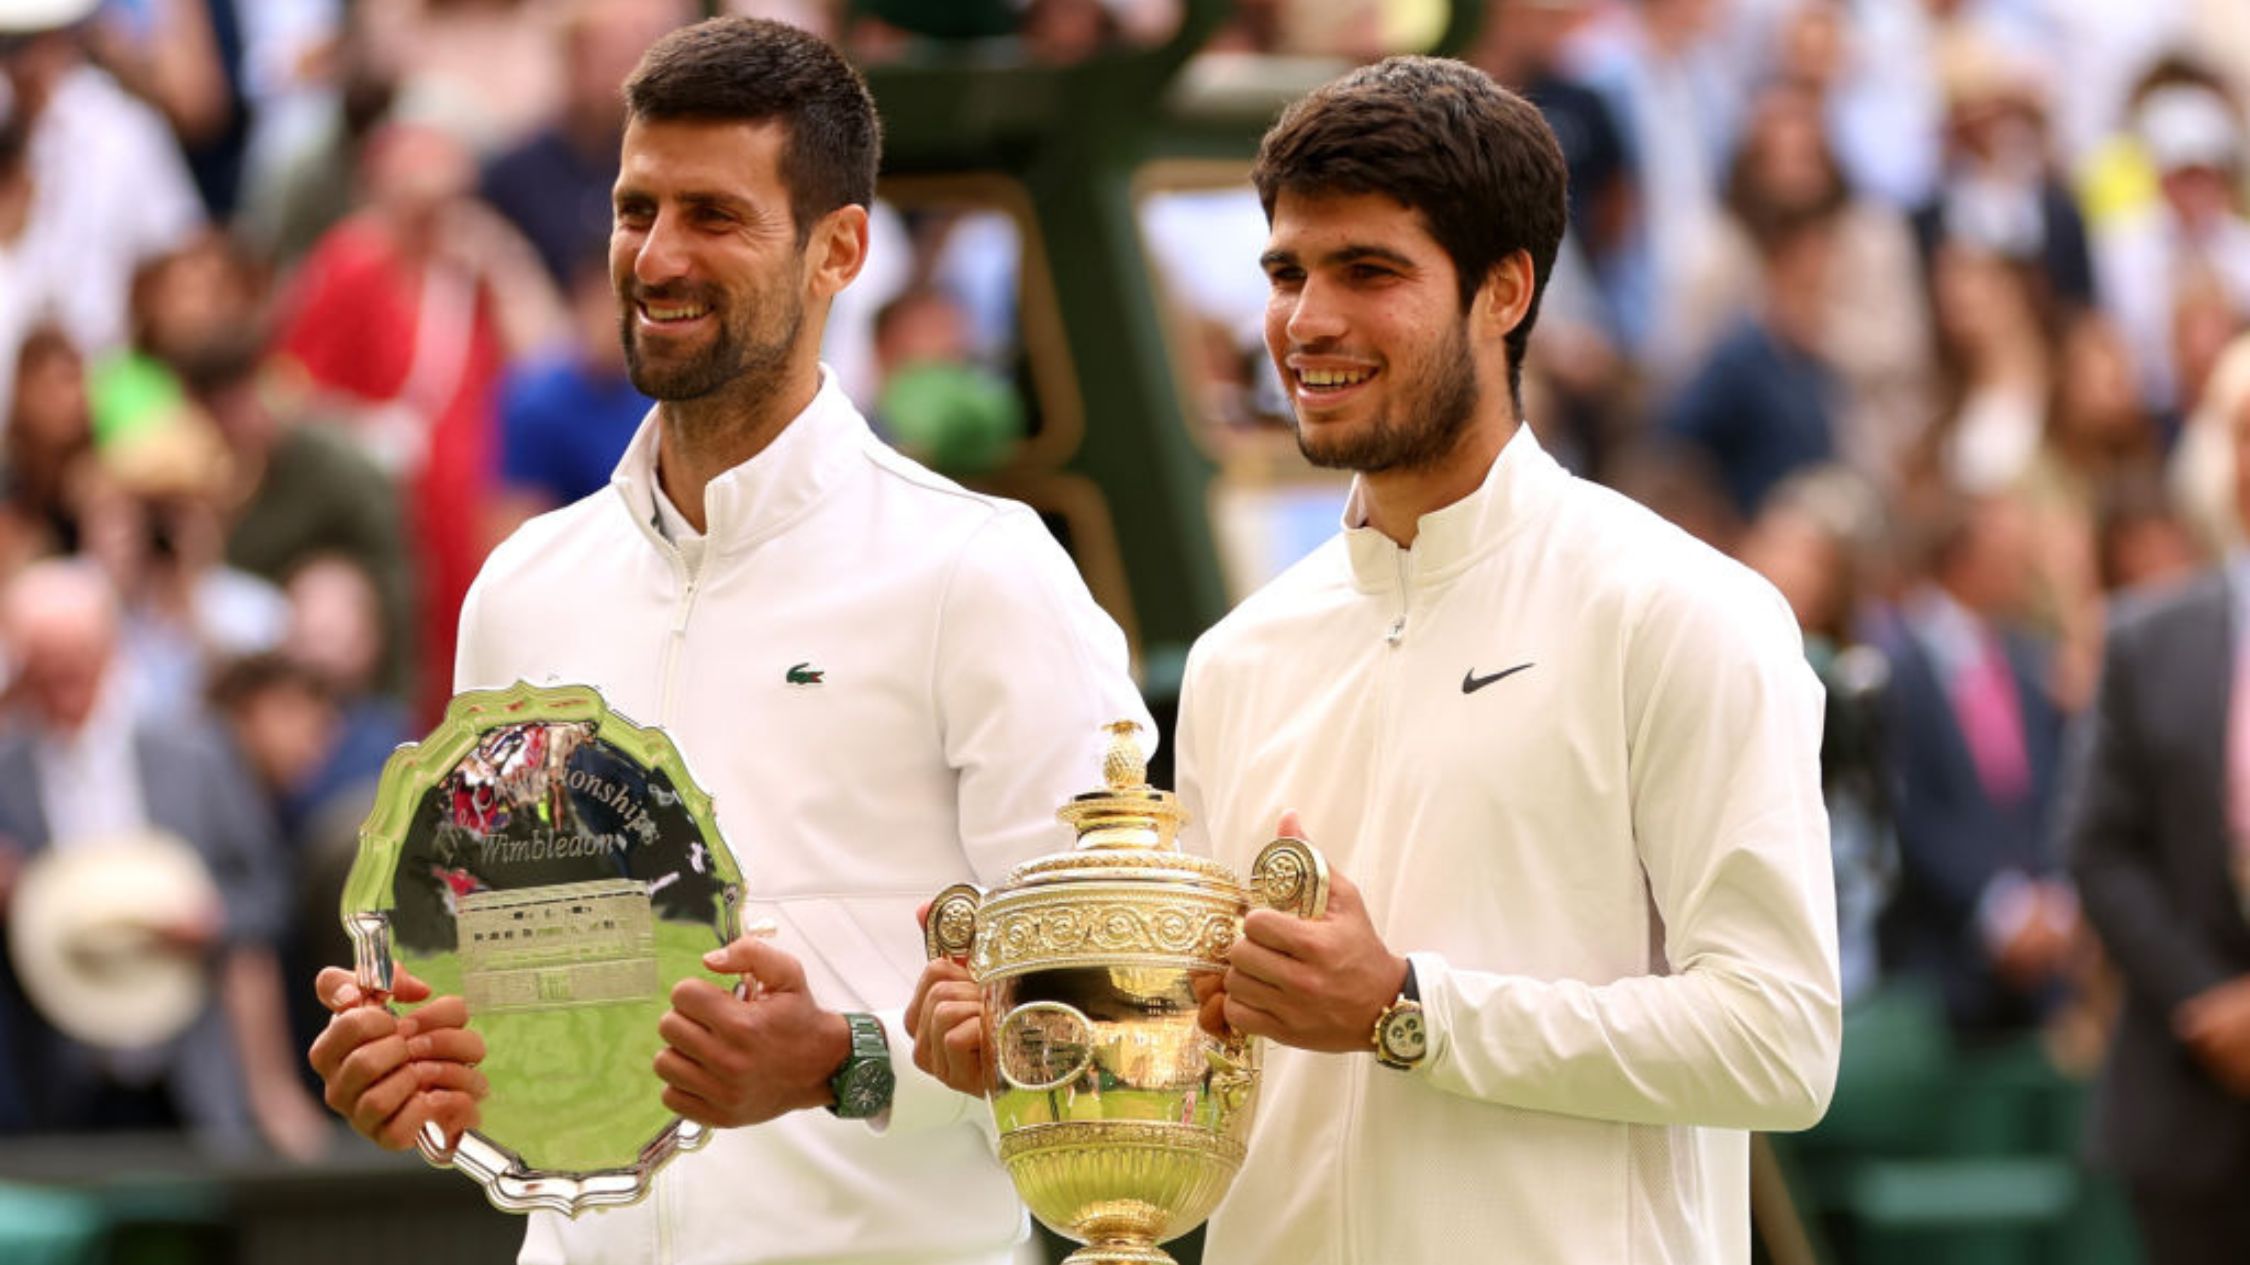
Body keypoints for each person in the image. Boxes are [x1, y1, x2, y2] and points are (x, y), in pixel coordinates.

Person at [912, 56, 1841, 1263]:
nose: (1308, 321)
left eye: (1368, 271)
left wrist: (1408, 1009)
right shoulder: (1241, 657)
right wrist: (1034, 1037)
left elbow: (1778, 1041)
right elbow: (1213, 1047)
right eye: (1288, 272)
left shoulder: (1682, 612)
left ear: (1504, 290)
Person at [305, 18, 1146, 1265]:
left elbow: (1118, 1030)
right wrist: (421, 1070)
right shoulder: (525, 585)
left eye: (714, 214)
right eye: (635, 208)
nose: (657, 255)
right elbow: (517, 1006)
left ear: (838, 250)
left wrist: (843, 1065)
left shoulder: (984, 571)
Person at [0, 560, 328, 1160]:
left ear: (109, 649)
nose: (62, 677)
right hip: (60, 1084)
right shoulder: (7, 773)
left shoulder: (194, 755)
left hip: (192, 1074)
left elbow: (268, 894)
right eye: (45, 661)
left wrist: (212, 922)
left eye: (75, 655)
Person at [2063, 378, 2250, 1264]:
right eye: (2244, 435)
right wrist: (2210, 996)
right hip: (2187, 1090)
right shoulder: (2149, 638)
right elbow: (2099, 844)